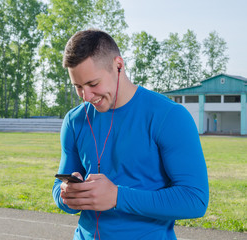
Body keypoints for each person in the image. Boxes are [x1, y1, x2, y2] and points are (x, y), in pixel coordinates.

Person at [52, 29, 209, 240]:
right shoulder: (74, 120)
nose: (86, 96)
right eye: (78, 87)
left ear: (118, 65)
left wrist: (118, 197)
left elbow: (194, 200)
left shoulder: (169, 116)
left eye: (93, 84)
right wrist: (67, 195)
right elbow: (59, 189)